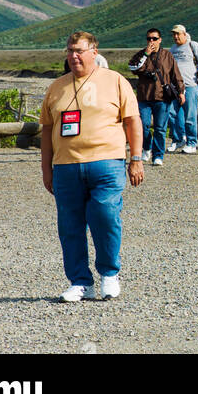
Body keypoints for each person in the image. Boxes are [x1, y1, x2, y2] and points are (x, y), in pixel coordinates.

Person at [40, 30, 145, 302]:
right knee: (70, 226)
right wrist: (46, 169)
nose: (74, 56)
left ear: (94, 52)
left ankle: (109, 274)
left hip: (107, 163)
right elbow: (47, 131)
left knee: (105, 215)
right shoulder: (56, 88)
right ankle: (80, 283)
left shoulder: (116, 81)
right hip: (66, 167)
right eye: (70, 50)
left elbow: (133, 121)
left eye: (79, 50)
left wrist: (136, 159)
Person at [128, 27, 184, 166]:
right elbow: (134, 68)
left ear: (160, 40)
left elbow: (175, 75)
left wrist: (181, 91)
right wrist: (146, 54)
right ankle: (147, 148)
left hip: (162, 97)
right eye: (149, 39)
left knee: (160, 128)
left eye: (154, 38)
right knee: (143, 126)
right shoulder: (141, 54)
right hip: (144, 97)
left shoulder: (167, 55)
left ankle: (158, 155)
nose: (151, 41)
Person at [166, 24, 198, 154]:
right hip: (175, 87)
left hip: (190, 85)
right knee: (171, 113)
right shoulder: (172, 49)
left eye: (178, 34)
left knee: (190, 115)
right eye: (174, 34)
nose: (176, 36)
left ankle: (191, 142)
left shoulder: (192, 45)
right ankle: (178, 139)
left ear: (184, 34)